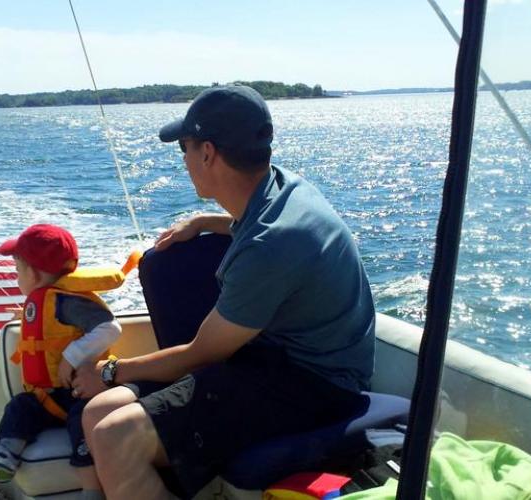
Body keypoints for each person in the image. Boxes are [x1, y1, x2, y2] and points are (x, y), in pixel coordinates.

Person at [71, 85, 377, 499]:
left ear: (208, 153)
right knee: (97, 412)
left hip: (315, 386)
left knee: (113, 435)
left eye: (185, 147)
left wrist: (108, 370)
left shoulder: (270, 246)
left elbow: (202, 354)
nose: (183, 159)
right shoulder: (285, 188)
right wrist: (203, 221)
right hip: (273, 358)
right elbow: (251, 227)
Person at [0, 224, 120, 498]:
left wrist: (71, 357)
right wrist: (30, 318)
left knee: (82, 424)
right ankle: (3, 454)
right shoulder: (48, 301)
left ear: (34, 274)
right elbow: (53, 326)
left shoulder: (68, 302)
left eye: (18, 271)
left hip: (82, 394)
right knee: (20, 407)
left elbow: (110, 329)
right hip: (51, 397)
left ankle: (92, 491)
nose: (16, 278)